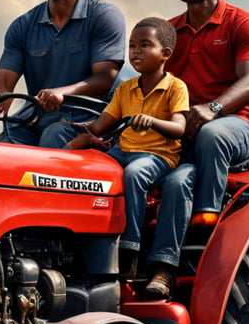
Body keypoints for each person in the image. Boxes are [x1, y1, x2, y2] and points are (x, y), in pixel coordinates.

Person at [144, 0, 249, 298]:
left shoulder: (243, 23)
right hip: (184, 132)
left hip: (237, 125)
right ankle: (157, 268)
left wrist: (212, 108)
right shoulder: (166, 32)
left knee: (212, 134)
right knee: (177, 179)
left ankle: (204, 228)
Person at [66, 18, 188, 276]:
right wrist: (79, 128)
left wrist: (153, 122)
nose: (136, 51)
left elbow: (179, 128)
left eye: (145, 45)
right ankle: (82, 242)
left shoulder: (175, 87)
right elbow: (101, 125)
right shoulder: (125, 88)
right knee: (92, 169)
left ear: (165, 54)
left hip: (158, 155)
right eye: (132, 46)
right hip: (124, 151)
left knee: (134, 175)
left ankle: (129, 249)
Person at [0, 0, 126, 146]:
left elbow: (105, 78)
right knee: (3, 143)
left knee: (55, 135)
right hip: (36, 118)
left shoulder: (104, 15)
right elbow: (4, 80)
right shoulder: (22, 25)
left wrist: (61, 92)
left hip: (87, 119)